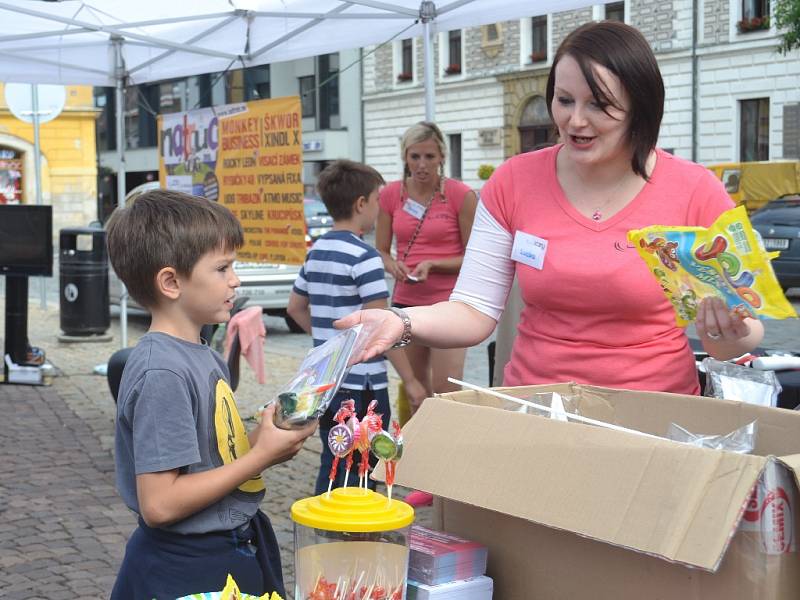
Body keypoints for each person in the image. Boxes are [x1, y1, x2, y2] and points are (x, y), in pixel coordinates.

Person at [338, 21, 764, 397]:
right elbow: (472, 310)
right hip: (538, 409)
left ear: (640, 106)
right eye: (564, 100)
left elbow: (743, 331)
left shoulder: (695, 190)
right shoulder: (513, 181)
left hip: (653, 418)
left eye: (598, 104)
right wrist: (401, 322)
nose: (576, 120)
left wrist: (725, 330)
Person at [106, 190, 316, 599]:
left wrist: (267, 435)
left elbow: (214, 459)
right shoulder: (162, 372)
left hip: (227, 552)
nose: (235, 280)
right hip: (187, 568)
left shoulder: (200, 352)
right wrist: (260, 457)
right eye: (222, 268)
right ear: (171, 282)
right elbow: (161, 504)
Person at [287, 160, 427, 496]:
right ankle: (352, 535)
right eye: (378, 200)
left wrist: (330, 343)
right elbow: (381, 330)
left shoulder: (316, 251)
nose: (380, 208)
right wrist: (411, 380)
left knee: (334, 457)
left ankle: (327, 528)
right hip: (363, 384)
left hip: (326, 382)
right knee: (364, 468)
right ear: (360, 204)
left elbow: (295, 308)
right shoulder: (364, 257)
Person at [377, 121, 478, 407]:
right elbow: (382, 250)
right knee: (416, 390)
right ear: (405, 157)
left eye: (429, 157)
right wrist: (392, 264)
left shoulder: (461, 195)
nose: (421, 165)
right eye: (415, 156)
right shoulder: (391, 194)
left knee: (446, 391)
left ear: (442, 157)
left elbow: (474, 257)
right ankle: (417, 449)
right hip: (408, 301)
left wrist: (434, 264)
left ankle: (450, 449)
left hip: (451, 304)